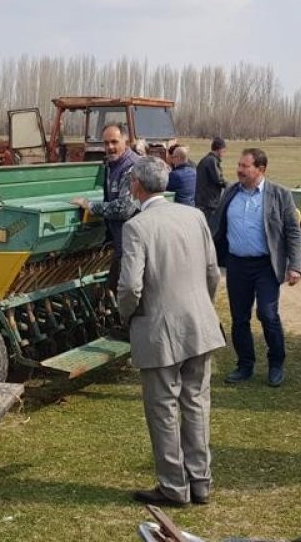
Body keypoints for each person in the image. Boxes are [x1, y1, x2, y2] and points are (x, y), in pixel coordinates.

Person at [117, 156, 225, 507]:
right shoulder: (194, 216)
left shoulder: (137, 226)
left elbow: (131, 287)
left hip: (159, 329)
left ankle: (173, 487)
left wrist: (127, 317)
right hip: (199, 325)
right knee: (196, 403)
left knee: (163, 408)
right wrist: (202, 309)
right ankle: (200, 482)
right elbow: (212, 272)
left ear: (136, 185)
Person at [210, 148, 301, 388]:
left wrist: (295, 266)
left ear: (260, 169)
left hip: (266, 266)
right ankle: (244, 365)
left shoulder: (280, 194)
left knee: (268, 315)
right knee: (239, 318)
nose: (239, 170)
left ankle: (275, 365)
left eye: (244, 166)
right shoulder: (230, 192)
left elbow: (293, 232)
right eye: (239, 165)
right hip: (237, 264)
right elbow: (216, 226)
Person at [72, 123, 140, 287]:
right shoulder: (111, 165)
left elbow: (124, 208)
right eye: (106, 143)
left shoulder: (132, 167)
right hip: (121, 240)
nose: (110, 147)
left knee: (124, 288)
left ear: (126, 141)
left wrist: (90, 206)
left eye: (114, 142)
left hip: (132, 243)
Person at [196, 137, 229, 226]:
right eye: (224, 151)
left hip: (203, 201)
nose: (224, 154)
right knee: (210, 227)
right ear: (219, 149)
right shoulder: (211, 161)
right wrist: (231, 186)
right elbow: (219, 180)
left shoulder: (207, 159)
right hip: (208, 203)